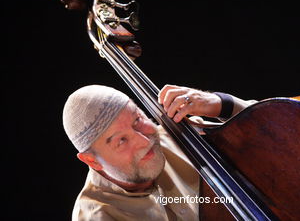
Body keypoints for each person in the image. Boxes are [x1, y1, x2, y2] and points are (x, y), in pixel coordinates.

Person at [62, 84, 255, 220]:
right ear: (92, 160)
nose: (144, 141)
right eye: (121, 140)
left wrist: (221, 104)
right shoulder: (98, 216)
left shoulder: (177, 136)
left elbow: (277, 132)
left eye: (137, 120)